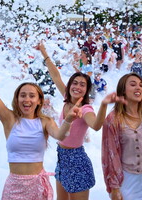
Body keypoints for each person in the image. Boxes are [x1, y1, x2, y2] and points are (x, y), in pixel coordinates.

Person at [0, 44, 82, 200]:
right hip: (14, 186)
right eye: (23, 95)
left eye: (32, 96)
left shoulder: (45, 121)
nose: (27, 99)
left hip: (38, 185)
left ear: (38, 101)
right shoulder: (9, 119)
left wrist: (68, 119)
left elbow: (60, 135)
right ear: (17, 99)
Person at [38, 42, 117, 200]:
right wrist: (44, 52)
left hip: (77, 161)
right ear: (69, 86)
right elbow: (55, 76)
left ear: (87, 90)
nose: (77, 87)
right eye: (75, 83)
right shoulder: (67, 100)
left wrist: (103, 105)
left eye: (82, 85)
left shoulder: (85, 108)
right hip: (62, 159)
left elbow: (95, 126)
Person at [101, 17, 142, 200]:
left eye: (140, 85)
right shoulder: (113, 119)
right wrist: (113, 187)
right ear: (123, 90)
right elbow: (109, 155)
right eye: (133, 84)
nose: (138, 87)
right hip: (127, 180)